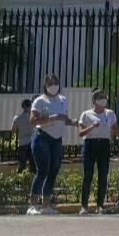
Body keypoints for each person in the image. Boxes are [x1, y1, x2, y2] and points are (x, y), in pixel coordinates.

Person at [27, 74, 78, 216]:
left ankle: (45, 206)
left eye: (55, 83)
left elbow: (63, 118)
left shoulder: (62, 100)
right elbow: (32, 121)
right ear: (45, 85)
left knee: (53, 171)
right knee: (42, 170)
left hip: (57, 140)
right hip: (42, 138)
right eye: (50, 83)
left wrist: (72, 122)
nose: (53, 86)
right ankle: (32, 205)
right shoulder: (40, 101)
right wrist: (51, 118)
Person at [77, 89, 117, 215]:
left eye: (104, 97)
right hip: (90, 145)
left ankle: (100, 205)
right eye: (100, 97)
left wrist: (115, 132)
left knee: (103, 176)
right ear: (94, 100)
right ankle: (84, 206)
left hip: (104, 145)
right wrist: (92, 127)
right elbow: (80, 132)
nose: (103, 99)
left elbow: (115, 129)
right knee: (87, 176)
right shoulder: (86, 114)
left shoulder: (110, 113)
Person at [11, 99, 36, 174]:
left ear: (23, 107)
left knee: (22, 164)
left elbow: (13, 130)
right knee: (33, 164)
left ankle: (19, 182)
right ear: (30, 106)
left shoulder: (17, 118)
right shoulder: (34, 117)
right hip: (32, 142)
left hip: (22, 143)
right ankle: (33, 181)